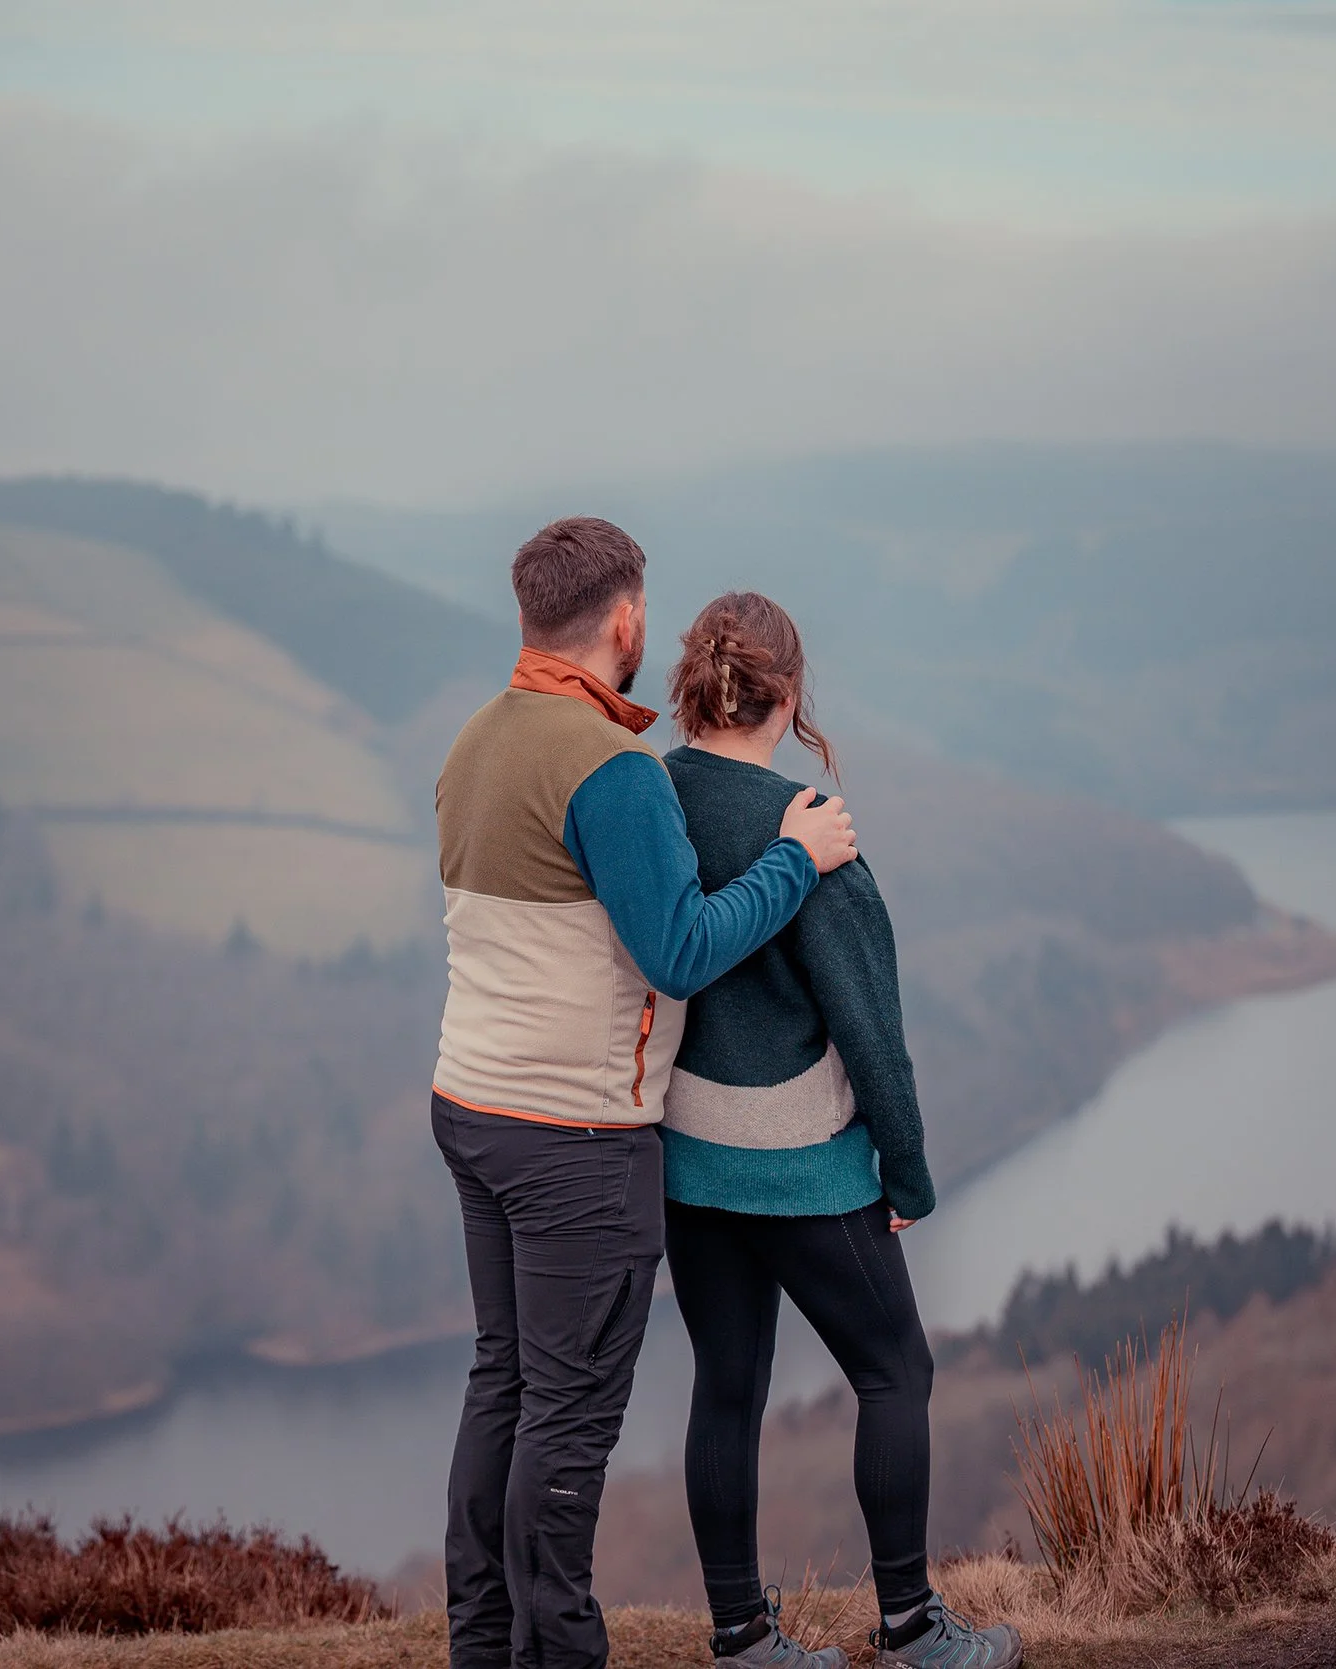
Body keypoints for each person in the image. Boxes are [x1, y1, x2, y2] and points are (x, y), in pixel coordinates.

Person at [433, 519, 862, 1669]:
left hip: (471, 1107)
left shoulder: (477, 742)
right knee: (565, 1418)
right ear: (623, 621)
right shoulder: (610, 770)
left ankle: (487, 1645)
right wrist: (794, 858)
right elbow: (678, 948)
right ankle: (559, 1650)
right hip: (574, 1138)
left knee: (505, 1387)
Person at [659, 592, 1022, 1669]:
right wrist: (906, 1176)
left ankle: (740, 1639)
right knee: (892, 1372)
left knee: (725, 1386)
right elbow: (871, 1030)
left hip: (686, 1159)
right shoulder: (808, 830)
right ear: (786, 693)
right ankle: (911, 1628)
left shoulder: (648, 800)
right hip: (805, 1168)